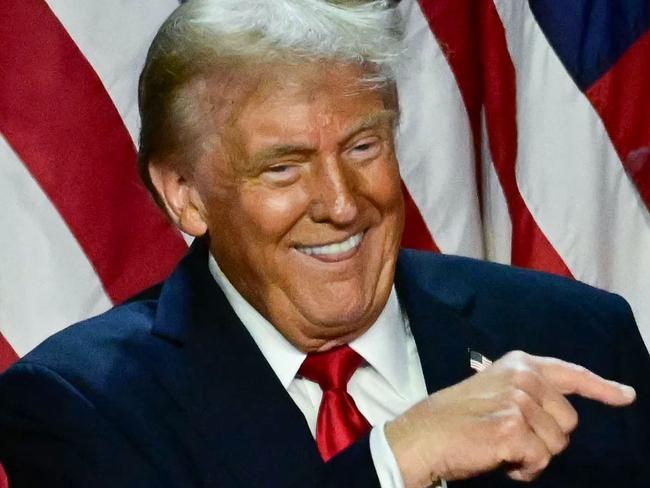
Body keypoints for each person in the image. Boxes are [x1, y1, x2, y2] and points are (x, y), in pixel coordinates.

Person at [1, 1, 648, 487]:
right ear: (186, 196)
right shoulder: (84, 403)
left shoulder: (576, 333)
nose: (342, 204)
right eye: (284, 166)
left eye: (363, 147)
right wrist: (397, 459)